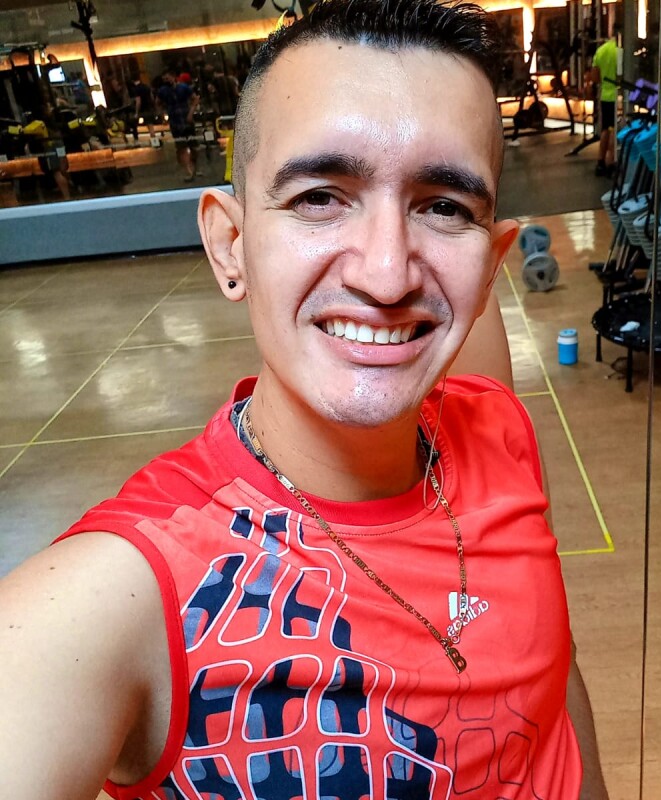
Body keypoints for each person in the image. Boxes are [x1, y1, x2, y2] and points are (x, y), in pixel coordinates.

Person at [0, 1, 610, 798]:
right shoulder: (128, 594)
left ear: (491, 264)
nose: (387, 275)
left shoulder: (498, 426)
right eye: (320, 196)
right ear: (231, 246)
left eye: (443, 207)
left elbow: (553, 685)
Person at [157, 69, 200, 180]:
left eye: (167, 78)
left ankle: (194, 168)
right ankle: (189, 171)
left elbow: (195, 99)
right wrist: (163, 115)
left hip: (185, 118)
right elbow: (158, 103)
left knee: (193, 145)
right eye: (164, 79)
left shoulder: (183, 87)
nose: (166, 81)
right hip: (175, 120)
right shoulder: (163, 90)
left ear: (173, 76)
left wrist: (191, 113)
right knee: (181, 146)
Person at [590, 24, 621, 177]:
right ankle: (611, 162)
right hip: (618, 96)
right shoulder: (621, 51)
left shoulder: (601, 50)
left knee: (606, 129)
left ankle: (601, 162)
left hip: (605, 95)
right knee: (614, 129)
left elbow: (595, 77)